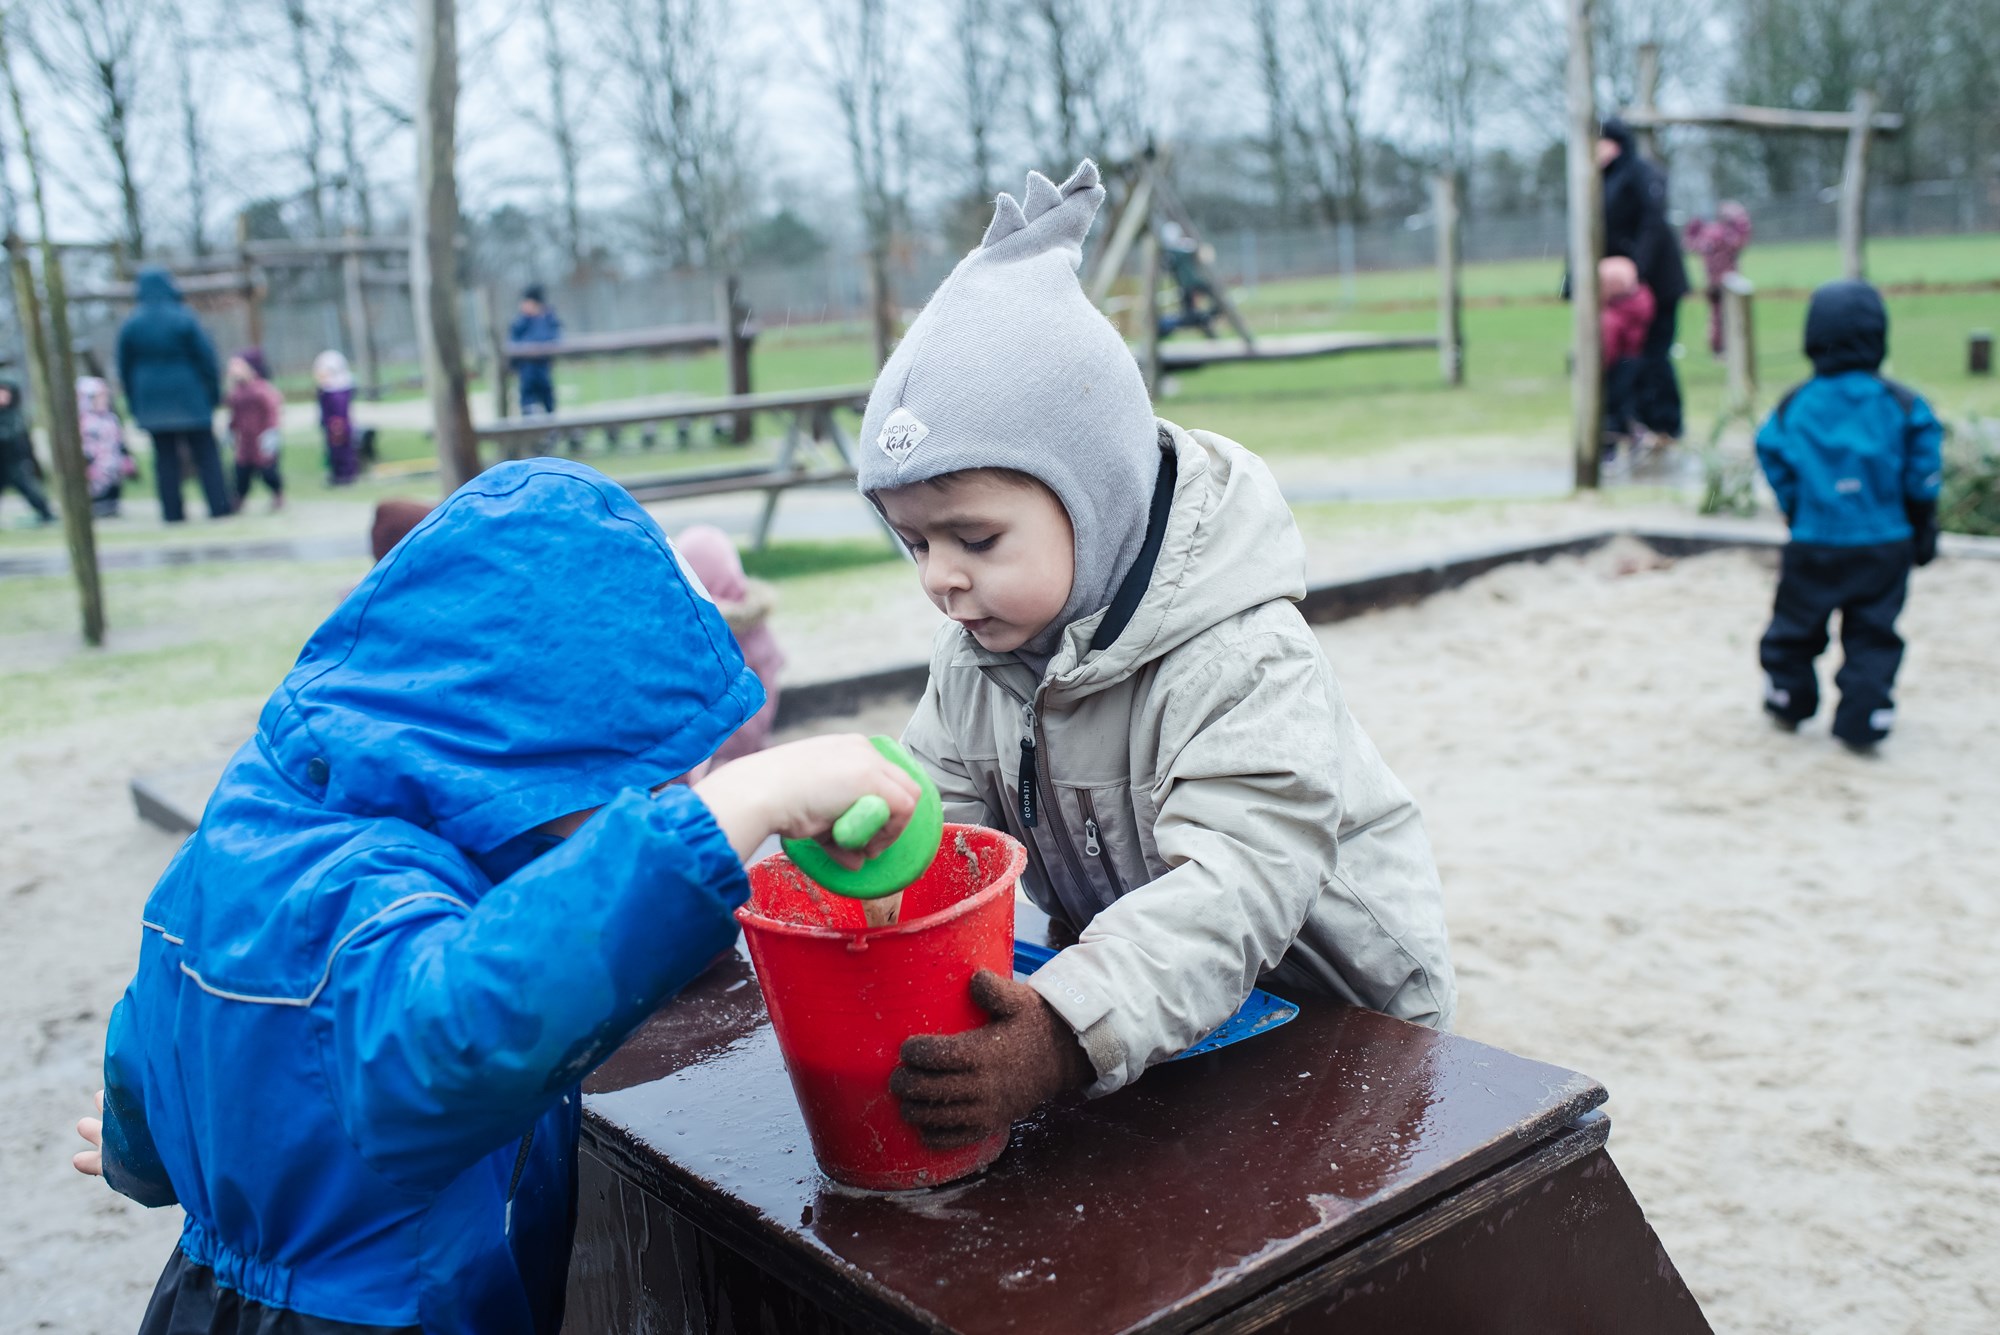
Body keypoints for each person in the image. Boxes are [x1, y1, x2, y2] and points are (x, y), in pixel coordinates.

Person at [70, 457, 920, 1335]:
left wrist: (141, 1155)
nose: (673, 791)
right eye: (642, 782)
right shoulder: (367, 904)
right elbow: (466, 1033)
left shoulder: (248, 838)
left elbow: (147, 1047)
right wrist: (740, 806)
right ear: (527, 748)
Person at [856, 162, 1456, 1148]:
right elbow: (945, 832)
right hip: (1136, 998)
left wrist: (1057, 1030)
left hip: (1335, 1010)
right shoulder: (973, 658)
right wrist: (882, 873)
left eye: (974, 539)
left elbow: (1236, 885)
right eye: (915, 543)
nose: (938, 579)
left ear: (1093, 506)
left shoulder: (1240, 655)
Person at [1756, 281, 1943, 751]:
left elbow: (1770, 449)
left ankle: (1787, 698)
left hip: (1813, 541)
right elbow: (1924, 472)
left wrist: (1793, 501)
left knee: (1795, 629)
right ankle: (1865, 718)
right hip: (1884, 540)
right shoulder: (1901, 402)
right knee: (1873, 633)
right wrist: (1922, 524)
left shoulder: (1796, 403)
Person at [116, 267, 232, 521]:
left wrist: (135, 401)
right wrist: (212, 394)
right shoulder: (184, 318)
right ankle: (219, 507)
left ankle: (172, 513)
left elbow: (124, 366)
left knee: (165, 459)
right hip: (189, 394)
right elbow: (206, 358)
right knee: (206, 454)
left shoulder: (132, 323)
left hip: (152, 399)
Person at [1598, 118, 1688, 440]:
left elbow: (1652, 223)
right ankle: (1635, 423)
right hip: (1623, 289)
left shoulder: (1640, 173)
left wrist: (1636, 269)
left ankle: (1665, 423)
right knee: (1627, 358)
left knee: (1655, 356)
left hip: (1655, 283)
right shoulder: (1603, 179)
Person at [676, 525, 787, 763]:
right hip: (755, 749)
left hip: (708, 758)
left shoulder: (692, 628)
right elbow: (775, 664)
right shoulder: (755, 624)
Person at [1599, 256, 1656, 451]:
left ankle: (1609, 449)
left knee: (1611, 408)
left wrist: (1601, 365)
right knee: (1627, 405)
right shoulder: (1641, 301)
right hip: (1634, 359)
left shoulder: (1612, 316)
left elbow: (1609, 346)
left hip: (1616, 365)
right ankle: (1635, 435)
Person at [1685, 202, 1753, 357]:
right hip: (1728, 282)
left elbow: (1690, 244)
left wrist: (1693, 228)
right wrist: (1742, 221)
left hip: (1712, 281)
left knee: (1716, 316)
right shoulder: (1726, 234)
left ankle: (1719, 348)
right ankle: (1726, 348)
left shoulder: (1706, 233)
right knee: (1729, 316)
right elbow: (1740, 242)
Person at [223, 349, 285, 512]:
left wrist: (272, 431)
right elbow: (234, 415)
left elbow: (272, 410)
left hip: (262, 439)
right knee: (241, 473)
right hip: (245, 443)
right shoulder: (236, 392)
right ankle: (238, 499)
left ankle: (278, 495)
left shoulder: (262, 390)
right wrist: (230, 430)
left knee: (268, 472)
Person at [77, 376, 137, 517]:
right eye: (99, 397)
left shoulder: (111, 419)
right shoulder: (84, 422)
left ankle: (112, 504)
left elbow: (119, 440)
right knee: (97, 486)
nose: (103, 401)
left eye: (105, 397)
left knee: (114, 483)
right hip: (95, 465)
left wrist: (126, 457)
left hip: (113, 462)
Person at [0, 377, 55, 525]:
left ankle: (46, 513)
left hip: (14, 462)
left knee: (29, 488)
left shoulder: (15, 415)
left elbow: (18, 438)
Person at [510, 285, 563, 416]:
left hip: (542, 368)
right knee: (527, 399)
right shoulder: (520, 322)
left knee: (547, 397)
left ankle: (551, 428)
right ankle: (529, 425)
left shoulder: (546, 320)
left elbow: (551, 338)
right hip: (526, 370)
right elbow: (512, 341)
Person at [313, 350, 361, 484]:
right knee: (333, 451)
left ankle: (345, 474)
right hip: (331, 425)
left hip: (338, 427)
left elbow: (339, 413)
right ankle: (337, 473)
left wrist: (337, 426)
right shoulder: (326, 390)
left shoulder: (338, 391)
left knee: (342, 450)